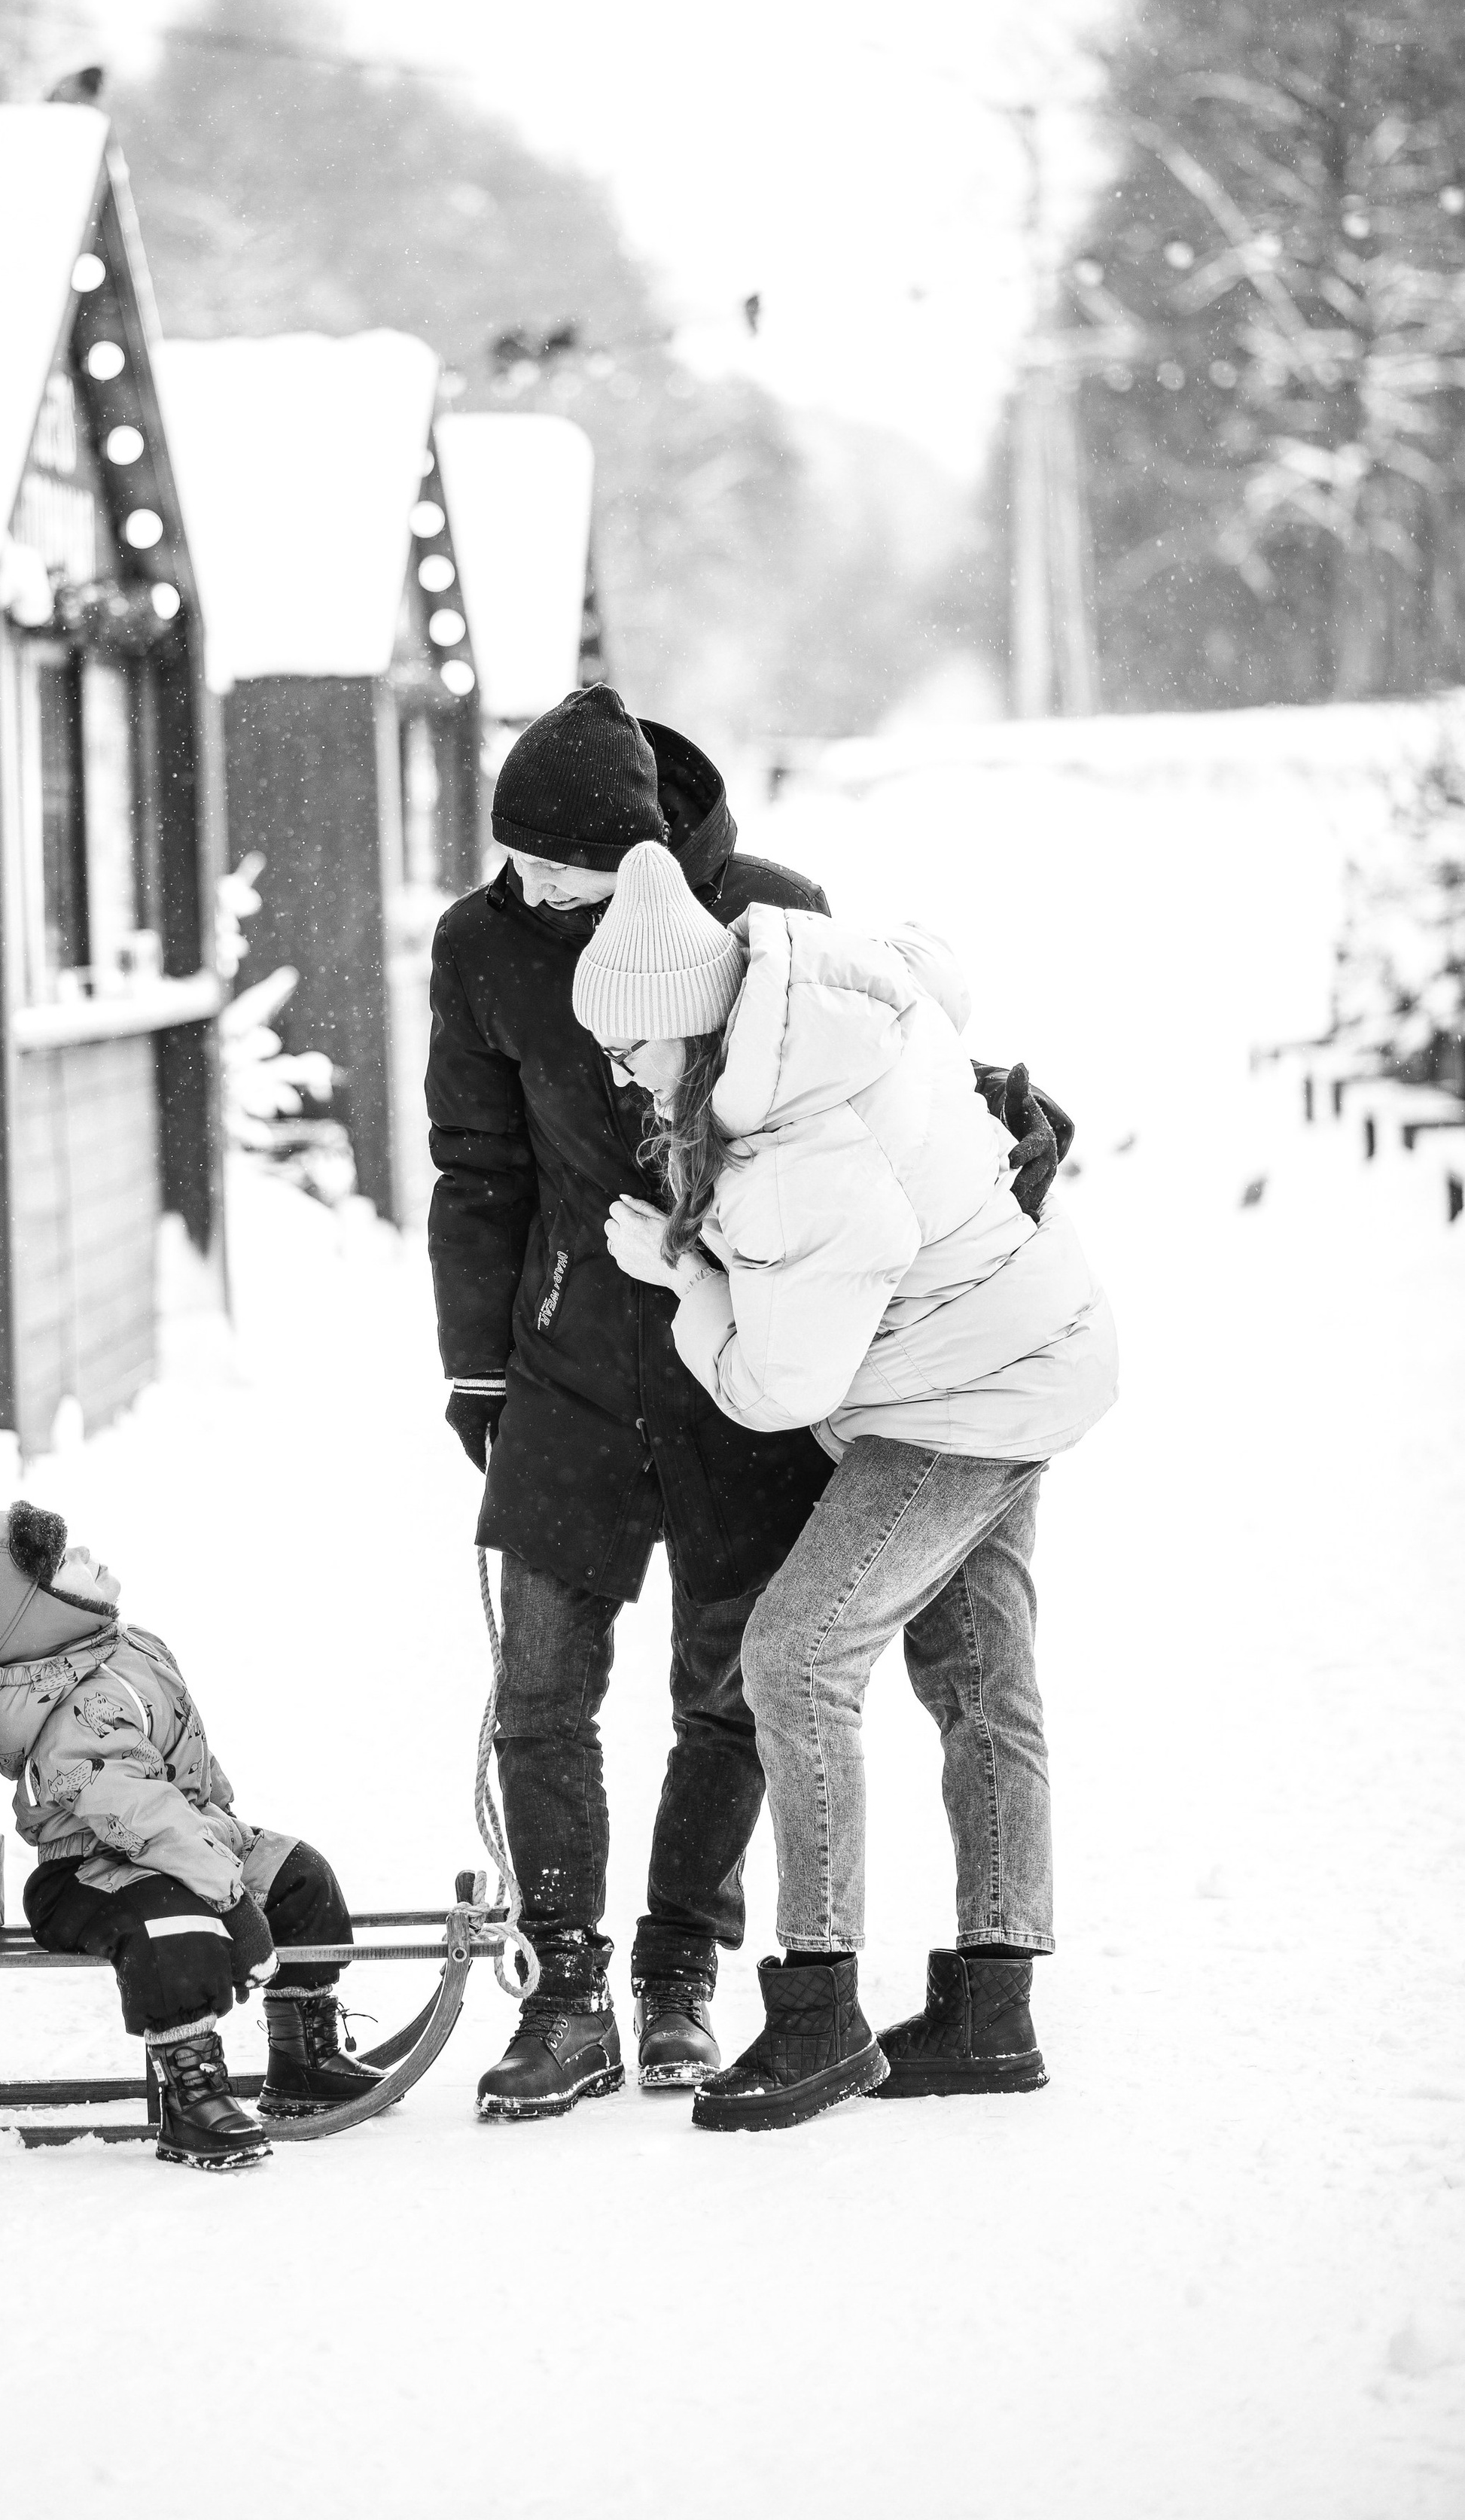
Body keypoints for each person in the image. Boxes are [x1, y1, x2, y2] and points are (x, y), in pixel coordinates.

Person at [427, 683, 1068, 2118]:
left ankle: (675, 1979)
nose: (523, 890)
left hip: (755, 1370)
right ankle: (567, 1990)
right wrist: (479, 1363)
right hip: (572, 1364)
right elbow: (477, 1168)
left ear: (635, 863)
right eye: (513, 862)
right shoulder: (482, 944)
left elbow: (871, 1064)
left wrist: (998, 1136)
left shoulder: (770, 913)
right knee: (540, 1686)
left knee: (730, 1687)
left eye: (552, 870)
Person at [569, 841, 1118, 2135]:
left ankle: (816, 2011)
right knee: (982, 1677)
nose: (622, 1073)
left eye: (631, 1048)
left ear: (688, 1026)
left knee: (795, 1658)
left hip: (961, 1396)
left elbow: (780, 1387)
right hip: (1023, 1341)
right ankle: (994, 2007)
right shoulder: (820, 987)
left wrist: (681, 1278)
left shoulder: (789, 1147)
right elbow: (936, 970)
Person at [0, 1499, 379, 2170]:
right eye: (64, 1563)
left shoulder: (119, 1648)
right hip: (87, 1874)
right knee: (175, 1931)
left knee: (296, 1876)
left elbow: (184, 1763)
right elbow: (139, 1812)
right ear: (41, 1612)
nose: (86, 1558)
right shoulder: (77, 1711)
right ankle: (193, 2094)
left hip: (172, 1841)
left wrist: (230, 1837)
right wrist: (230, 1901)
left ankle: (303, 2056)